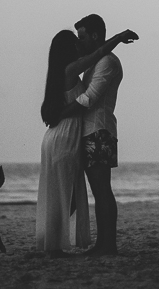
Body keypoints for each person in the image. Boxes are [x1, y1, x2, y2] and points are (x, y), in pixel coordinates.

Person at [35, 27, 137, 257]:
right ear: (68, 49)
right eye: (76, 41)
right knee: (66, 193)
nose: (79, 44)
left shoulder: (66, 71)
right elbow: (88, 94)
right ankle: (53, 245)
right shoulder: (72, 69)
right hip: (66, 136)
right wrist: (119, 38)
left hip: (65, 136)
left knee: (65, 193)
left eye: (81, 38)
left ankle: (54, 244)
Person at [58, 14, 125, 256]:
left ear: (95, 36)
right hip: (90, 132)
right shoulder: (94, 62)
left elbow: (89, 99)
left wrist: (59, 114)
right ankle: (103, 243)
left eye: (82, 36)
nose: (79, 41)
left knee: (101, 190)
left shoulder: (107, 62)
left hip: (99, 131)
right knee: (97, 190)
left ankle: (107, 244)